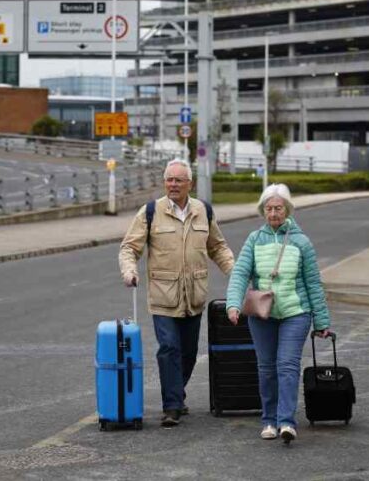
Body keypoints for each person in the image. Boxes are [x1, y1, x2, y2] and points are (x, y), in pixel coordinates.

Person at [119, 158, 235, 427]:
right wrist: (129, 270)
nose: (172, 184)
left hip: (194, 296)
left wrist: (237, 273)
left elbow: (218, 247)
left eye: (178, 180)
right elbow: (129, 248)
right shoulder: (150, 212)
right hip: (163, 296)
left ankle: (176, 392)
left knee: (189, 353)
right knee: (169, 347)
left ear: (189, 184)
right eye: (169, 179)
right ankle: (171, 405)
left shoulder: (203, 211)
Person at [225, 183, 331, 444]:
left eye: (278, 208)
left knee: (287, 366)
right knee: (266, 368)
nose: (273, 213)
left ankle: (286, 421)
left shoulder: (301, 241)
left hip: (296, 312)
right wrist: (233, 304)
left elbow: (314, 283)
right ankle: (268, 420)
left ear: (288, 210)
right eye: (269, 208)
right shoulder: (254, 239)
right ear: (263, 211)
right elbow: (240, 274)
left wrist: (322, 320)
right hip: (262, 315)